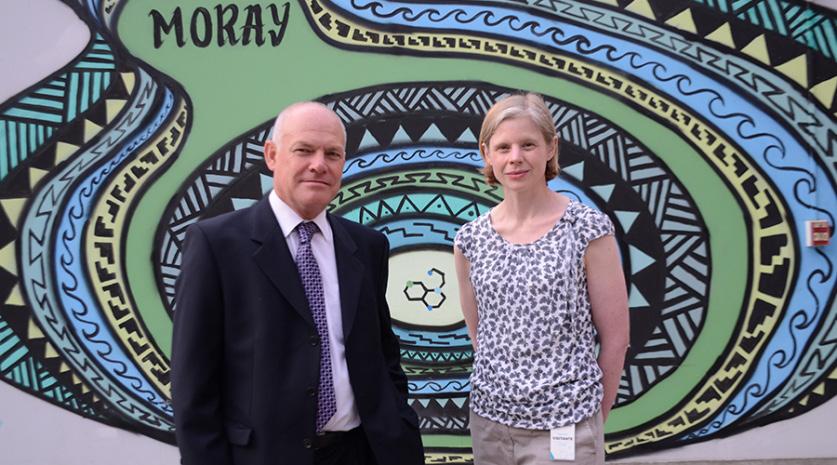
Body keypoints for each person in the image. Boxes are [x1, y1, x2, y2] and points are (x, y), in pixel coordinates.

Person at [171, 101, 424, 465]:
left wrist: (399, 423)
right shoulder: (217, 245)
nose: (319, 164)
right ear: (272, 155)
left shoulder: (367, 246)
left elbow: (383, 353)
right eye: (304, 150)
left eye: (332, 154)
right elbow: (193, 383)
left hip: (362, 453)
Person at [453, 93, 629, 465]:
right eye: (503, 147)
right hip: (491, 425)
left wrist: (593, 420)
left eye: (528, 145)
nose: (515, 157)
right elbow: (480, 334)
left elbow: (616, 339)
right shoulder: (470, 239)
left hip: (566, 425)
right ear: (487, 154)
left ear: (551, 148)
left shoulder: (587, 230)